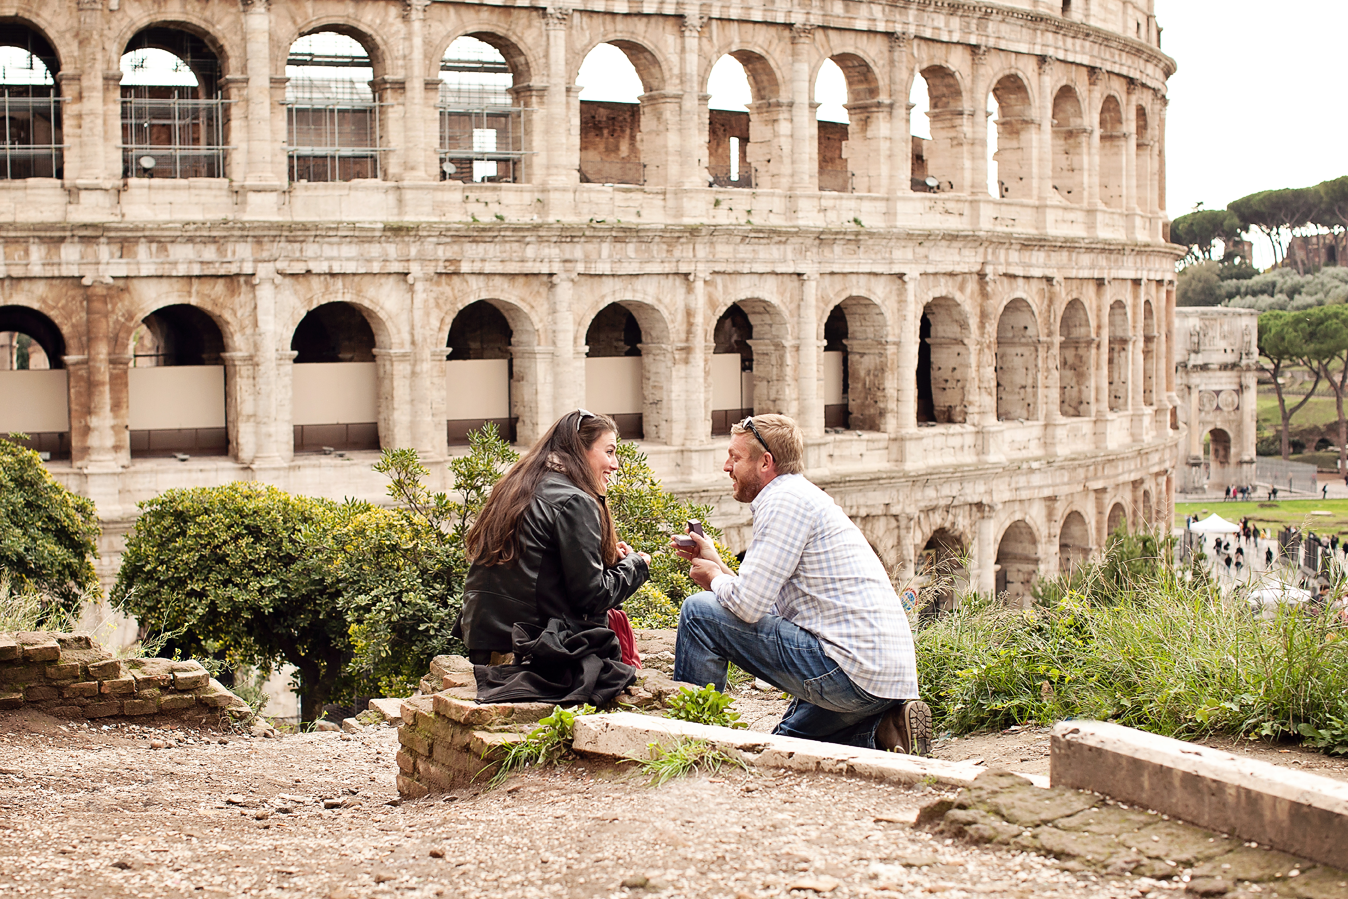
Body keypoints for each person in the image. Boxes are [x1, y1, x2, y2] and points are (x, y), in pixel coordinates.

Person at [670, 414, 931, 755]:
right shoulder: (800, 496)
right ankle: (882, 734)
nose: (725, 467)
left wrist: (713, 578)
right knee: (783, 747)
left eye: (735, 457)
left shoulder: (783, 503)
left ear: (766, 462)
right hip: (882, 678)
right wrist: (716, 563)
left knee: (698, 613)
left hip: (848, 669)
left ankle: (693, 740)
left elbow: (748, 607)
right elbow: (759, 599)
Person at [455, 410, 651, 701]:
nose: (615, 464)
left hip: (487, 637)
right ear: (579, 450)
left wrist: (605, 558)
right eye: (609, 452)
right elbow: (592, 596)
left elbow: (538, 564)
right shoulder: (576, 499)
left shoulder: (520, 482)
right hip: (531, 644)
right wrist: (637, 565)